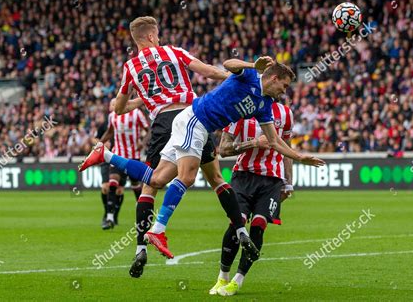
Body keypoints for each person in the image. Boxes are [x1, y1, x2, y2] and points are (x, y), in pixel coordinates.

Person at [80, 56, 325, 261]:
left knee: (157, 178)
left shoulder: (265, 104)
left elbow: (274, 141)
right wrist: (253, 64)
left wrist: (300, 156)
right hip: (194, 121)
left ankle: (106, 154)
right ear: (272, 77)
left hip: (196, 125)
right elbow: (229, 63)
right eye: (283, 85)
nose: (284, 91)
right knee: (186, 177)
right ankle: (158, 230)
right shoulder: (249, 76)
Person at [79, 16, 256, 278]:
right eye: (157, 34)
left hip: (163, 122)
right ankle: (241, 232)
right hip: (195, 115)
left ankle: (141, 247)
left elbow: (118, 107)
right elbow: (207, 70)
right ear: (151, 36)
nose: (159, 38)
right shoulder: (173, 51)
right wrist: (233, 77)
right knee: (215, 178)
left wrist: (142, 101)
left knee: (151, 187)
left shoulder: (130, 67)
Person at [209, 101, 294, 296]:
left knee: (258, 224)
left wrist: (288, 182)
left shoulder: (286, 114)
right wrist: (254, 143)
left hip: (272, 180)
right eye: (282, 83)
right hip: (244, 176)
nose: (284, 88)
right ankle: (223, 276)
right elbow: (223, 149)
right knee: (236, 223)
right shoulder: (240, 109)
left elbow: (287, 149)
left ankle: (238, 281)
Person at [98, 99, 150, 229]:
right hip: (118, 156)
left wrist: (142, 143)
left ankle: (144, 217)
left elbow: (148, 130)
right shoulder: (112, 116)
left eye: (117, 103)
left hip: (133, 157)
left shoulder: (137, 113)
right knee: (113, 182)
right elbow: (109, 132)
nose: (115, 106)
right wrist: (100, 143)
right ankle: (109, 218)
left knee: (136, 186)